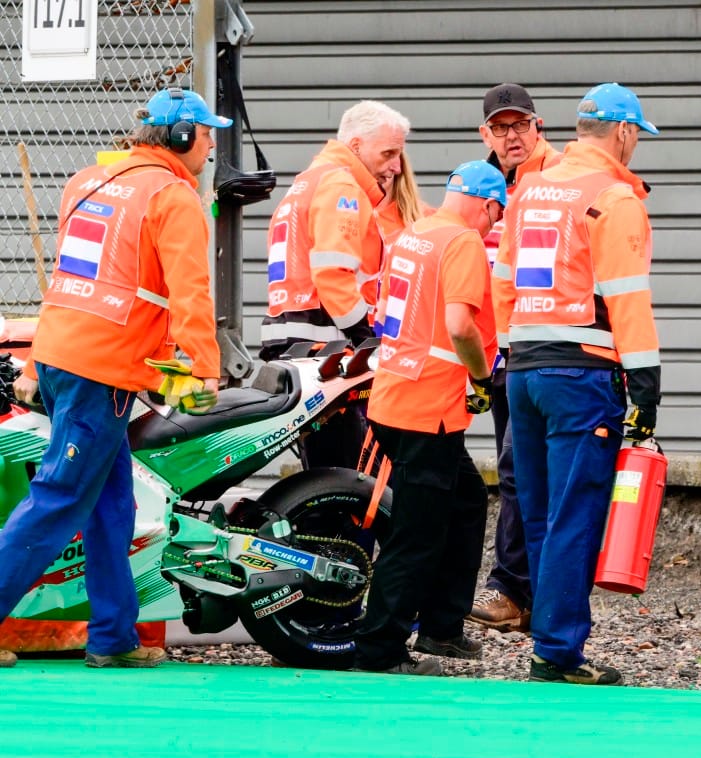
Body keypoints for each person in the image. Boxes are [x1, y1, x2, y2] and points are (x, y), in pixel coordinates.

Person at [0, 86, 225, 669]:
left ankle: (113, 636)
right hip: (100, 372)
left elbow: (70, 280)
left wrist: (36, 360)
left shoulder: (88, 181)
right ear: (181, 137)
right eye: (206, 135)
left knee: (112, 506)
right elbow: (191, 293)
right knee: (59, 499)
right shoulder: (172, 196)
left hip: (66, 359)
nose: (210, 146)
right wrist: (205, 368)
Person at [493, 83, 661, 685]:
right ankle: (558, 651)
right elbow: (627, 297)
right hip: (581, 372)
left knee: (538, 513)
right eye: (636, 134)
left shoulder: (530, 189)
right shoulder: (614, 197)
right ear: (623, 132)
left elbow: (503, 281)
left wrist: (508, 352)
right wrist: (645, 383)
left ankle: (550, 639)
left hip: (524, 368)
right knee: (574, 513)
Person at [353, 161, 507, 676]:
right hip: (429, 409)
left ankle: (442, 625)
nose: (494, 224)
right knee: (417, 532)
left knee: (465, 501)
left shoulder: (414, 234)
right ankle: (380, 648)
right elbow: (460, 325)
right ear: (488, 205)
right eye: (497, 215)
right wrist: (482, 377)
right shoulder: (463, 242)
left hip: (393, 398)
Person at [259, 100, 420, 470]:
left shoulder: (307, 182)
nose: (397, 166)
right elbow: (333, 275)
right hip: (323, 349)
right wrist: (367, 338)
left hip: (294, 341)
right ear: (357, 146)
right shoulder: (341, 187)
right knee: (347, 471)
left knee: (325, 467)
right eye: (389, 153)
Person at [468, 83, 561, 634]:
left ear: (537, 125)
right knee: (517, 473)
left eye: (520, 124)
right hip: (498, 356)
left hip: (546, 348)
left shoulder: (558, 179)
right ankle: (528, 595)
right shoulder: (481, 188)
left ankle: (514, 588)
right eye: (500, 127)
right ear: (486, 134)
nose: (512, 136)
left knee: (521, 471)